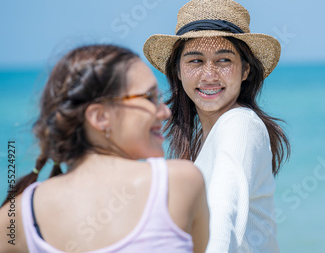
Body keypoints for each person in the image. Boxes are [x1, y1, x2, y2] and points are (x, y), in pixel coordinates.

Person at [0, 44, 209, 253]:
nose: (165, 112)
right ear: (100, 117)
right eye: (149, 98)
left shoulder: (16, 216)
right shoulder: (178, 182)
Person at [143, 0, 291, 252]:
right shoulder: (206, 138)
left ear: (245, 70)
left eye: (224, 60)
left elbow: (224, 213)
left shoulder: (239, 124)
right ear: (177, 71)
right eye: (195, 61)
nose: (209, 75)